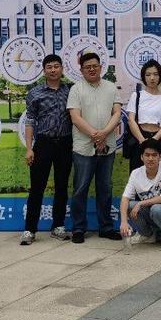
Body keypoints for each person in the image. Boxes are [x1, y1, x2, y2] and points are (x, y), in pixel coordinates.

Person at [66, 52, 123, 244]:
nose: (91, 69)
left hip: (107, 146)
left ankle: (106, 227)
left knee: (105, 188)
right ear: (81, 70)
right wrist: (95, 135)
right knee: (80, 188)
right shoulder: (76, 89)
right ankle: (78, 228)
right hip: (83, 148)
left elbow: (117, 113)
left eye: (95, 66)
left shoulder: (111, 87)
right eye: (87, 67)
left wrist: (104, 133)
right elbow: (75, 118)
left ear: (101, 67)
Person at [20, 54, 73, 245]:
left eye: (56, 66)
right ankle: (30, 230)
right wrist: (29, 148)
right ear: (44, 70)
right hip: (43, 143)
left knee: (61, 187)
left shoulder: (70, 91)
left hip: (65, 143)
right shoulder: (35, 93)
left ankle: (58, 226)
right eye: (49, 67)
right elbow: (30, 121)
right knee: (37, 188)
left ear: (62, 69)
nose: (53, 70)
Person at [119, 138, 161, 250]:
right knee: (130, 206)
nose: (150, 158)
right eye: (147, 155)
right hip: (152, 211)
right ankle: (148, 235)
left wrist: (141, 203)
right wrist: (123, 222)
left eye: (154, 155)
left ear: (160, 157)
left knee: (156, 208)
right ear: (142, 157)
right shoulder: (136, 173)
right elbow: (125, 198)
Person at [125, 59, 161, 172]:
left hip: (158, 138)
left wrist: (154, 140)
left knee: (160, 174)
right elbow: (131, 120)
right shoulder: (136, 96)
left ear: (160, 77)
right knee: (138, 173)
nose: (152, 78)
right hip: (139, 138)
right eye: (148, 74)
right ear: (143, 77)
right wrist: (142, 140)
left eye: (155, 74)